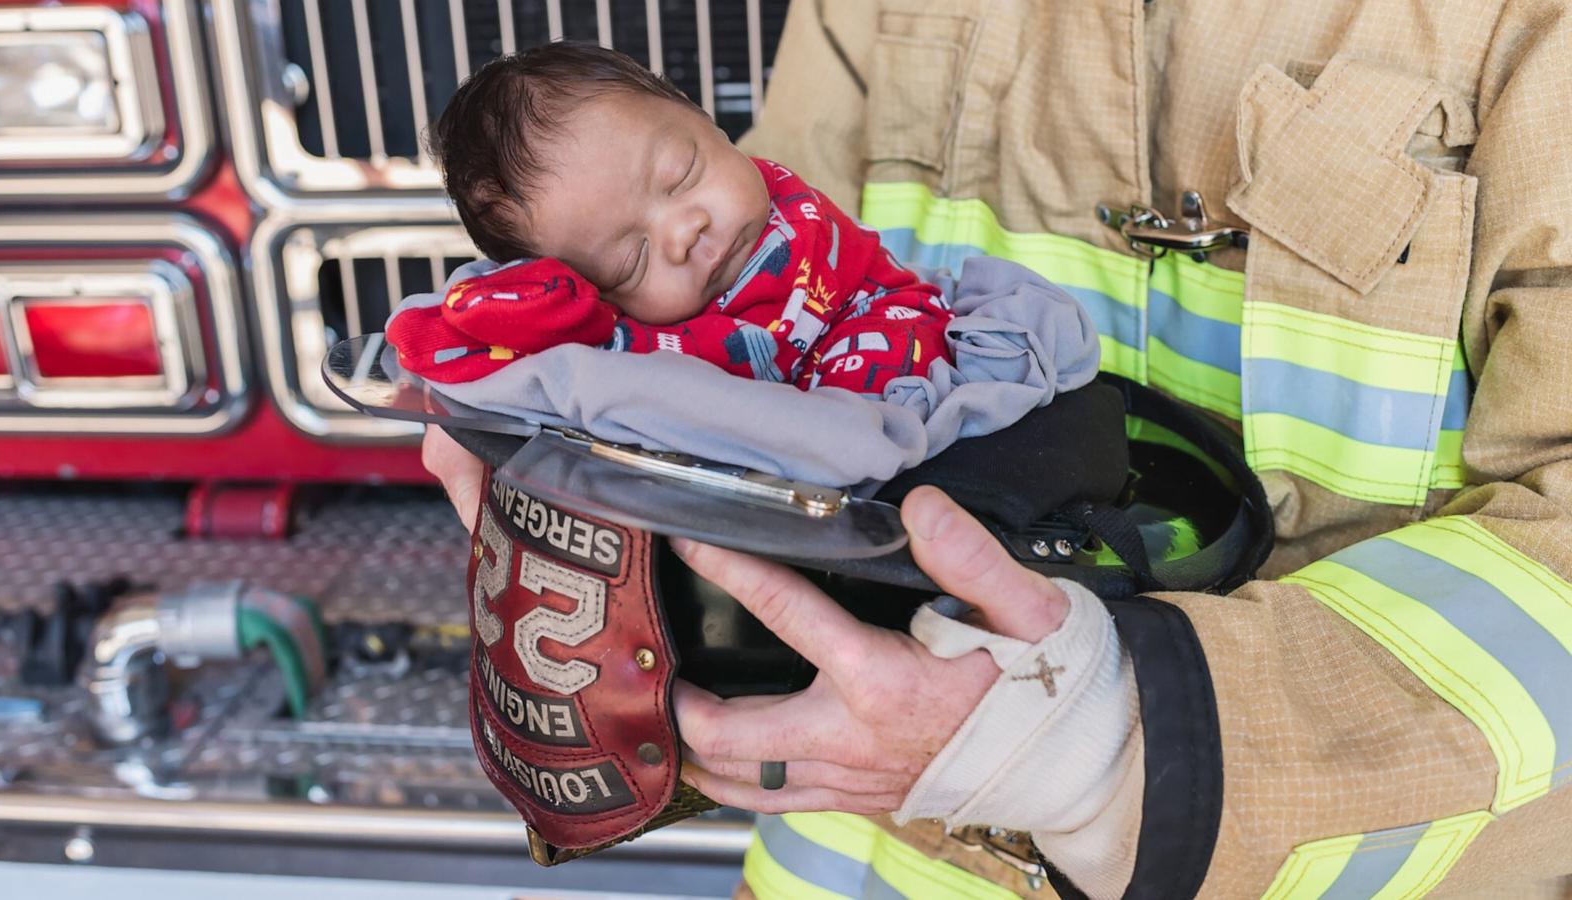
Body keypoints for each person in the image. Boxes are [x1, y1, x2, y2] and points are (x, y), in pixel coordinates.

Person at [427, 0, 1572, 897]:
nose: (678, 223)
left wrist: (1127, 738)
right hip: (856, 863)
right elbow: (735, 325)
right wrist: (616, 495)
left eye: (676, 180)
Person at [389, 42, 964, 394]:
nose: (682, 232)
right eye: (631, 259)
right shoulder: (645, 339)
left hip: (888, 347)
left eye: (682, 173)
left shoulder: (796, 216)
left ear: (701, 114)